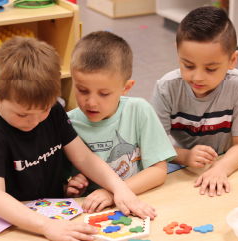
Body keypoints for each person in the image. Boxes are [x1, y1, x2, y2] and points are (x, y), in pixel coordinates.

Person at [0, 36, 156, 241]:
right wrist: (45, 226)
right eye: (22, 115)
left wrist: (120, 188)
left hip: (60, 216)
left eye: (42, 110)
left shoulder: (53, 111)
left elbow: (84, 158)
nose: (34, 121)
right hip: (21, 225)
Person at [151, 6, 238, 197]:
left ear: (232, 60)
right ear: (178, 53)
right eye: (188, 65)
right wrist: (185, 156)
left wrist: (220, 169)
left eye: (210, 69)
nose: (198, 77)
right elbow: (153, 146)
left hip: (227, 164)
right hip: (180, 166)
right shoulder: (166, 87)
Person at [65, 31, 176, 213]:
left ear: (126, 87)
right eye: (83, 90)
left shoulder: (139, 110)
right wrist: (71, 185)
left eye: (104, 94)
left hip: (138, 199)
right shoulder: (67, 123)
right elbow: (63, 181)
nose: (91, 102)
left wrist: (111, 193)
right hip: (93, 211)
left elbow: (158, 171)